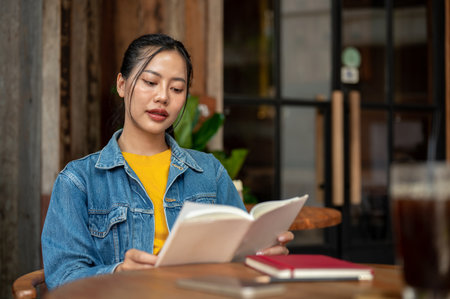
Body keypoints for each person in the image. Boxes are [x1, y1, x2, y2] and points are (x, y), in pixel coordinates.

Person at [41, 33, 294, 290]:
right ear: (121, 84)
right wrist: (117, 272)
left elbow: (238, 260)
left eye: (176, 88)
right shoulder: (79, 180)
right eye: (150, 82)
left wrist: (261, 255)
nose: (163, 97)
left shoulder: (209, 173)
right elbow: (62, 278)